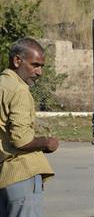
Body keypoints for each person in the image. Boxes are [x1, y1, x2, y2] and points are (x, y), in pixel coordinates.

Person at [0, 38, 59, 217]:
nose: (39, 72)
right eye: (35, 65)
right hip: (20, 174)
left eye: (41, 66)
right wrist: (47, 143)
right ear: (17, 61)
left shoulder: (3, 84)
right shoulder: (19, 89)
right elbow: (21, 139)